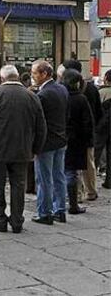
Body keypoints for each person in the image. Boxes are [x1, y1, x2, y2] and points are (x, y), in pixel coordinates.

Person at [0, 65, 46, 233]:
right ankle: (17, 221)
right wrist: (36, 149)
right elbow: (42, 126)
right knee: (18, 186)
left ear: (2, 79)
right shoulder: (32, 97)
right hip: (22, 150)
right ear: (17, 77)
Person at [31, 60, 68, 225]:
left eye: (34, 73)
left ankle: (44, 212)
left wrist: (35, 144)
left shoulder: (43, 95)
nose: (33, 76)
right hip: (61, 139)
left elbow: (38, 122)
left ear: (44, 74)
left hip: (47, 142)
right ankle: (60, 210)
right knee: (59, 176)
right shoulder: (62, 89)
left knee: (44, 179)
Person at [63, 59, 103, 201]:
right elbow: (99, 111)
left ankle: (77, 194)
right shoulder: (91, 88)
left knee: (73, 166)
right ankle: (91, 191)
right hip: (87, 133)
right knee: (88, 164)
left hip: (72, 134)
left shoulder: (64, 91)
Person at [62, 69, 94, 218]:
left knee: (59, 172)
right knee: (71, 172)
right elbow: (88, 123)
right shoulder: (80, 99)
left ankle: (60, 204)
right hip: (76, 141)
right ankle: (73, 204)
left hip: (59, 138)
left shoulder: (60, 96)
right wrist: (87, 140)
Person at [97, 70, 111, 189]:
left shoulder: (101, 92)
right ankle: (109, 180)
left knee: (96, 153)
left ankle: (89, 184)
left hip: (101, 126)